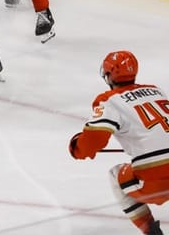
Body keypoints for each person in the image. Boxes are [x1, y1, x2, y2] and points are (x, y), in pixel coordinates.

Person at [69, 51, 168, 235]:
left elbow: (92, 144)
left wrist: (76, 147)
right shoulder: (156, 91)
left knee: (116, 175)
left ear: (108, 75)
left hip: (154, 183)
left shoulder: (109, 101)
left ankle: (151, 231)